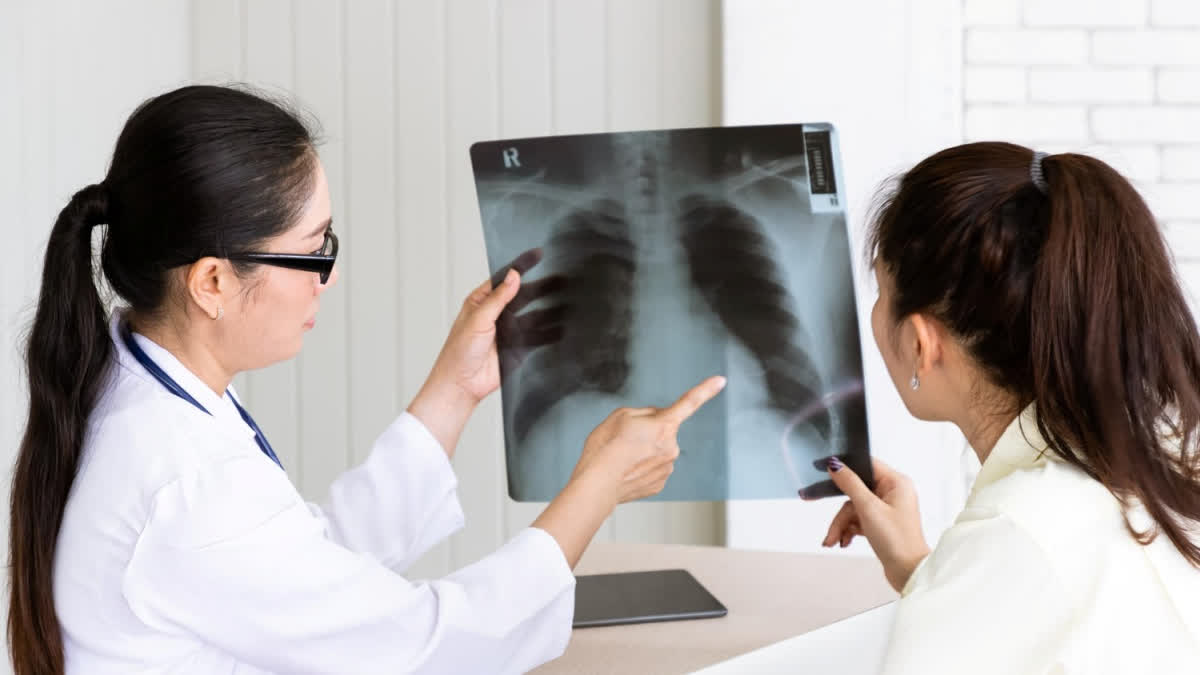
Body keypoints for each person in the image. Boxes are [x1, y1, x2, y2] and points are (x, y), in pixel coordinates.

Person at [6, 85, 726, 675]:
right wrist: (598, 485)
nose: (331, 275)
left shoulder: (134, 382)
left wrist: (454, 389)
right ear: (214, 282)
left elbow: (302, 564)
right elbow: (429, 645)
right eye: (314, 251)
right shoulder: (187, 488)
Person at [817, 142, 1200, 673]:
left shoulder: (1014, 530)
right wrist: (921, 572)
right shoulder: (1163, 465)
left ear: (922, 345)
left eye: (881, 290)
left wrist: (960, 576)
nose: (874, 313)